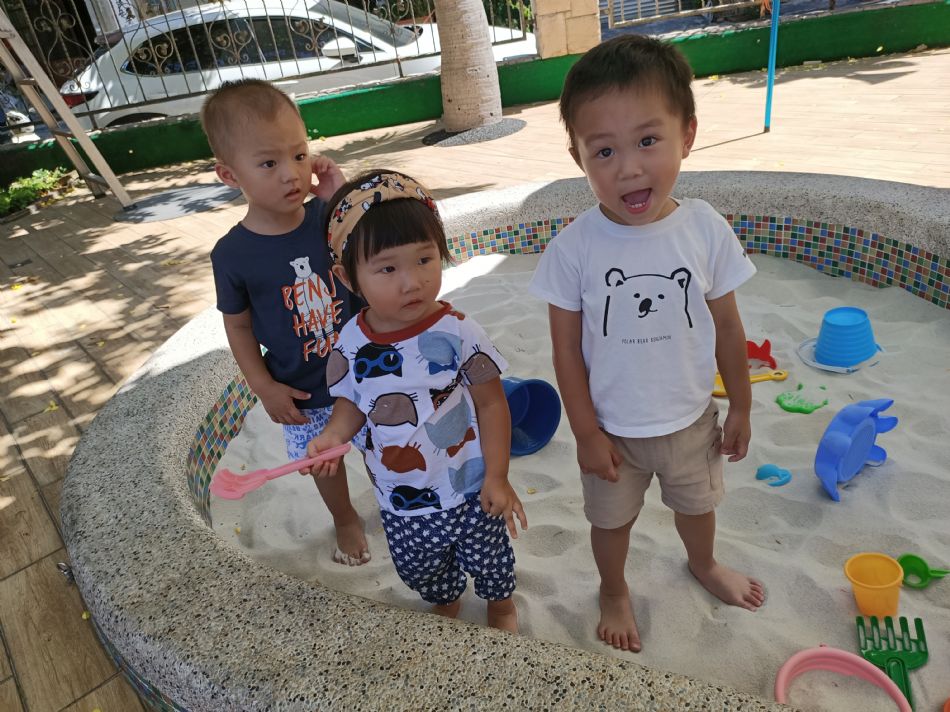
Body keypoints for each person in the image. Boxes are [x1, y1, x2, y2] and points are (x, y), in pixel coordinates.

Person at [528, 35, 765, 653]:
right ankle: (613, 589)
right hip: (612, 430)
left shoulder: (704, 229)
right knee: (610, 522)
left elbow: (729, 328)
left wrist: (741, 405)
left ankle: (703, 563)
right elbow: (565, 353)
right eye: (604, 150)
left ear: (687, 135)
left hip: (691, 419)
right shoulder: (574, 250)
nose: (628, 168)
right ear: (579, 156)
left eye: (648, 140)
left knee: (698, 508)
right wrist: (585, 432)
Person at [304, 170, 527, 633]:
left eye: (425, 259)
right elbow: (353, 403)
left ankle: (500, 604)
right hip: (400, 494)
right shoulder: (351, 342)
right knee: (420, 567)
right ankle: (446, 597)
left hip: (469, 486)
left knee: (490, 557)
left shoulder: (458, 330)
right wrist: (331, 436)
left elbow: (491, 404)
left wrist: (499, 475)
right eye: (388, 269)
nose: (412, 282)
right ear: (348, 277)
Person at [202, 79, 371, 566]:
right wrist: (263, 387)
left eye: (299, 155)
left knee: (389, 445)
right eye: (268, 163)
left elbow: (371, 260)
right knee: (323, 464)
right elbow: (238, 327)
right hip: (302, 390)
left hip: (367, 370)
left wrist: (342, 201)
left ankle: (398, 501)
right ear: (229, 174)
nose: (291, 174)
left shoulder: (326, 217)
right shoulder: (233, 255)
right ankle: (344, 517)